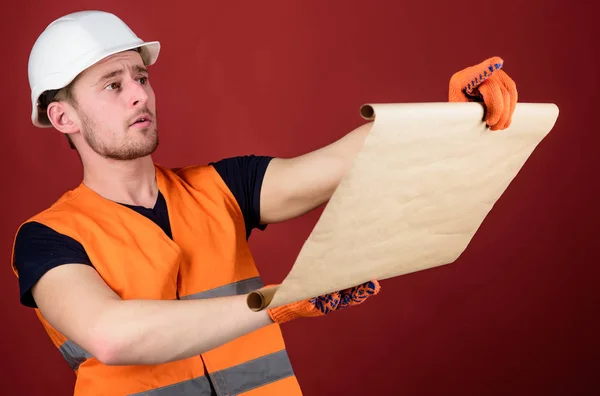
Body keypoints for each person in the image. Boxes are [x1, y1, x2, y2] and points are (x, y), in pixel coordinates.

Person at [11, 10, 518, 396]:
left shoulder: (221, 188)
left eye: (140, 78)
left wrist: (451, 115)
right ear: (63, 118)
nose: (139, 95)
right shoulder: (47, 239)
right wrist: (277, 304)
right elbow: (111, 336)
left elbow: (344, 160)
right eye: (113, 85)